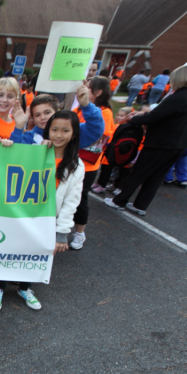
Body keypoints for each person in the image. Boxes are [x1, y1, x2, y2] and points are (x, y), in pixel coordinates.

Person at [0, 110, 85, 312]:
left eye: (65, 130)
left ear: (74, 133)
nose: (59, 135)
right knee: (9, 250)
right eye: (55, 129)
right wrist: (13, 136)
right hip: (19, 215)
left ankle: (25, 287)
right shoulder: (36, 151)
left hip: (46, 220)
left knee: (33, 254)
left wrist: (62, 233)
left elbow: (71, 202)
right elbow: (10, 156)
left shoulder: (76, 166)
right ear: (48, 130)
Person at [106, 65, 187, 215]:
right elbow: (163, 114)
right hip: (178, 144)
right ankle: (140, 205)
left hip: (161, 143)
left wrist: (135, 119)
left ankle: (119, 201)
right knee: (156, 176)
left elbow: (155, 116)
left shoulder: (178, 97)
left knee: (139, 172)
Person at [69, 76, 115, 250]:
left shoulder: (104, 113)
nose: (84, 90)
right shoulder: (79, 108)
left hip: (87, 165)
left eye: (88, 87)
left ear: (98, 92)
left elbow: (101, 134)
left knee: (80, 199)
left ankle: (79, 233)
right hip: (69, 161)